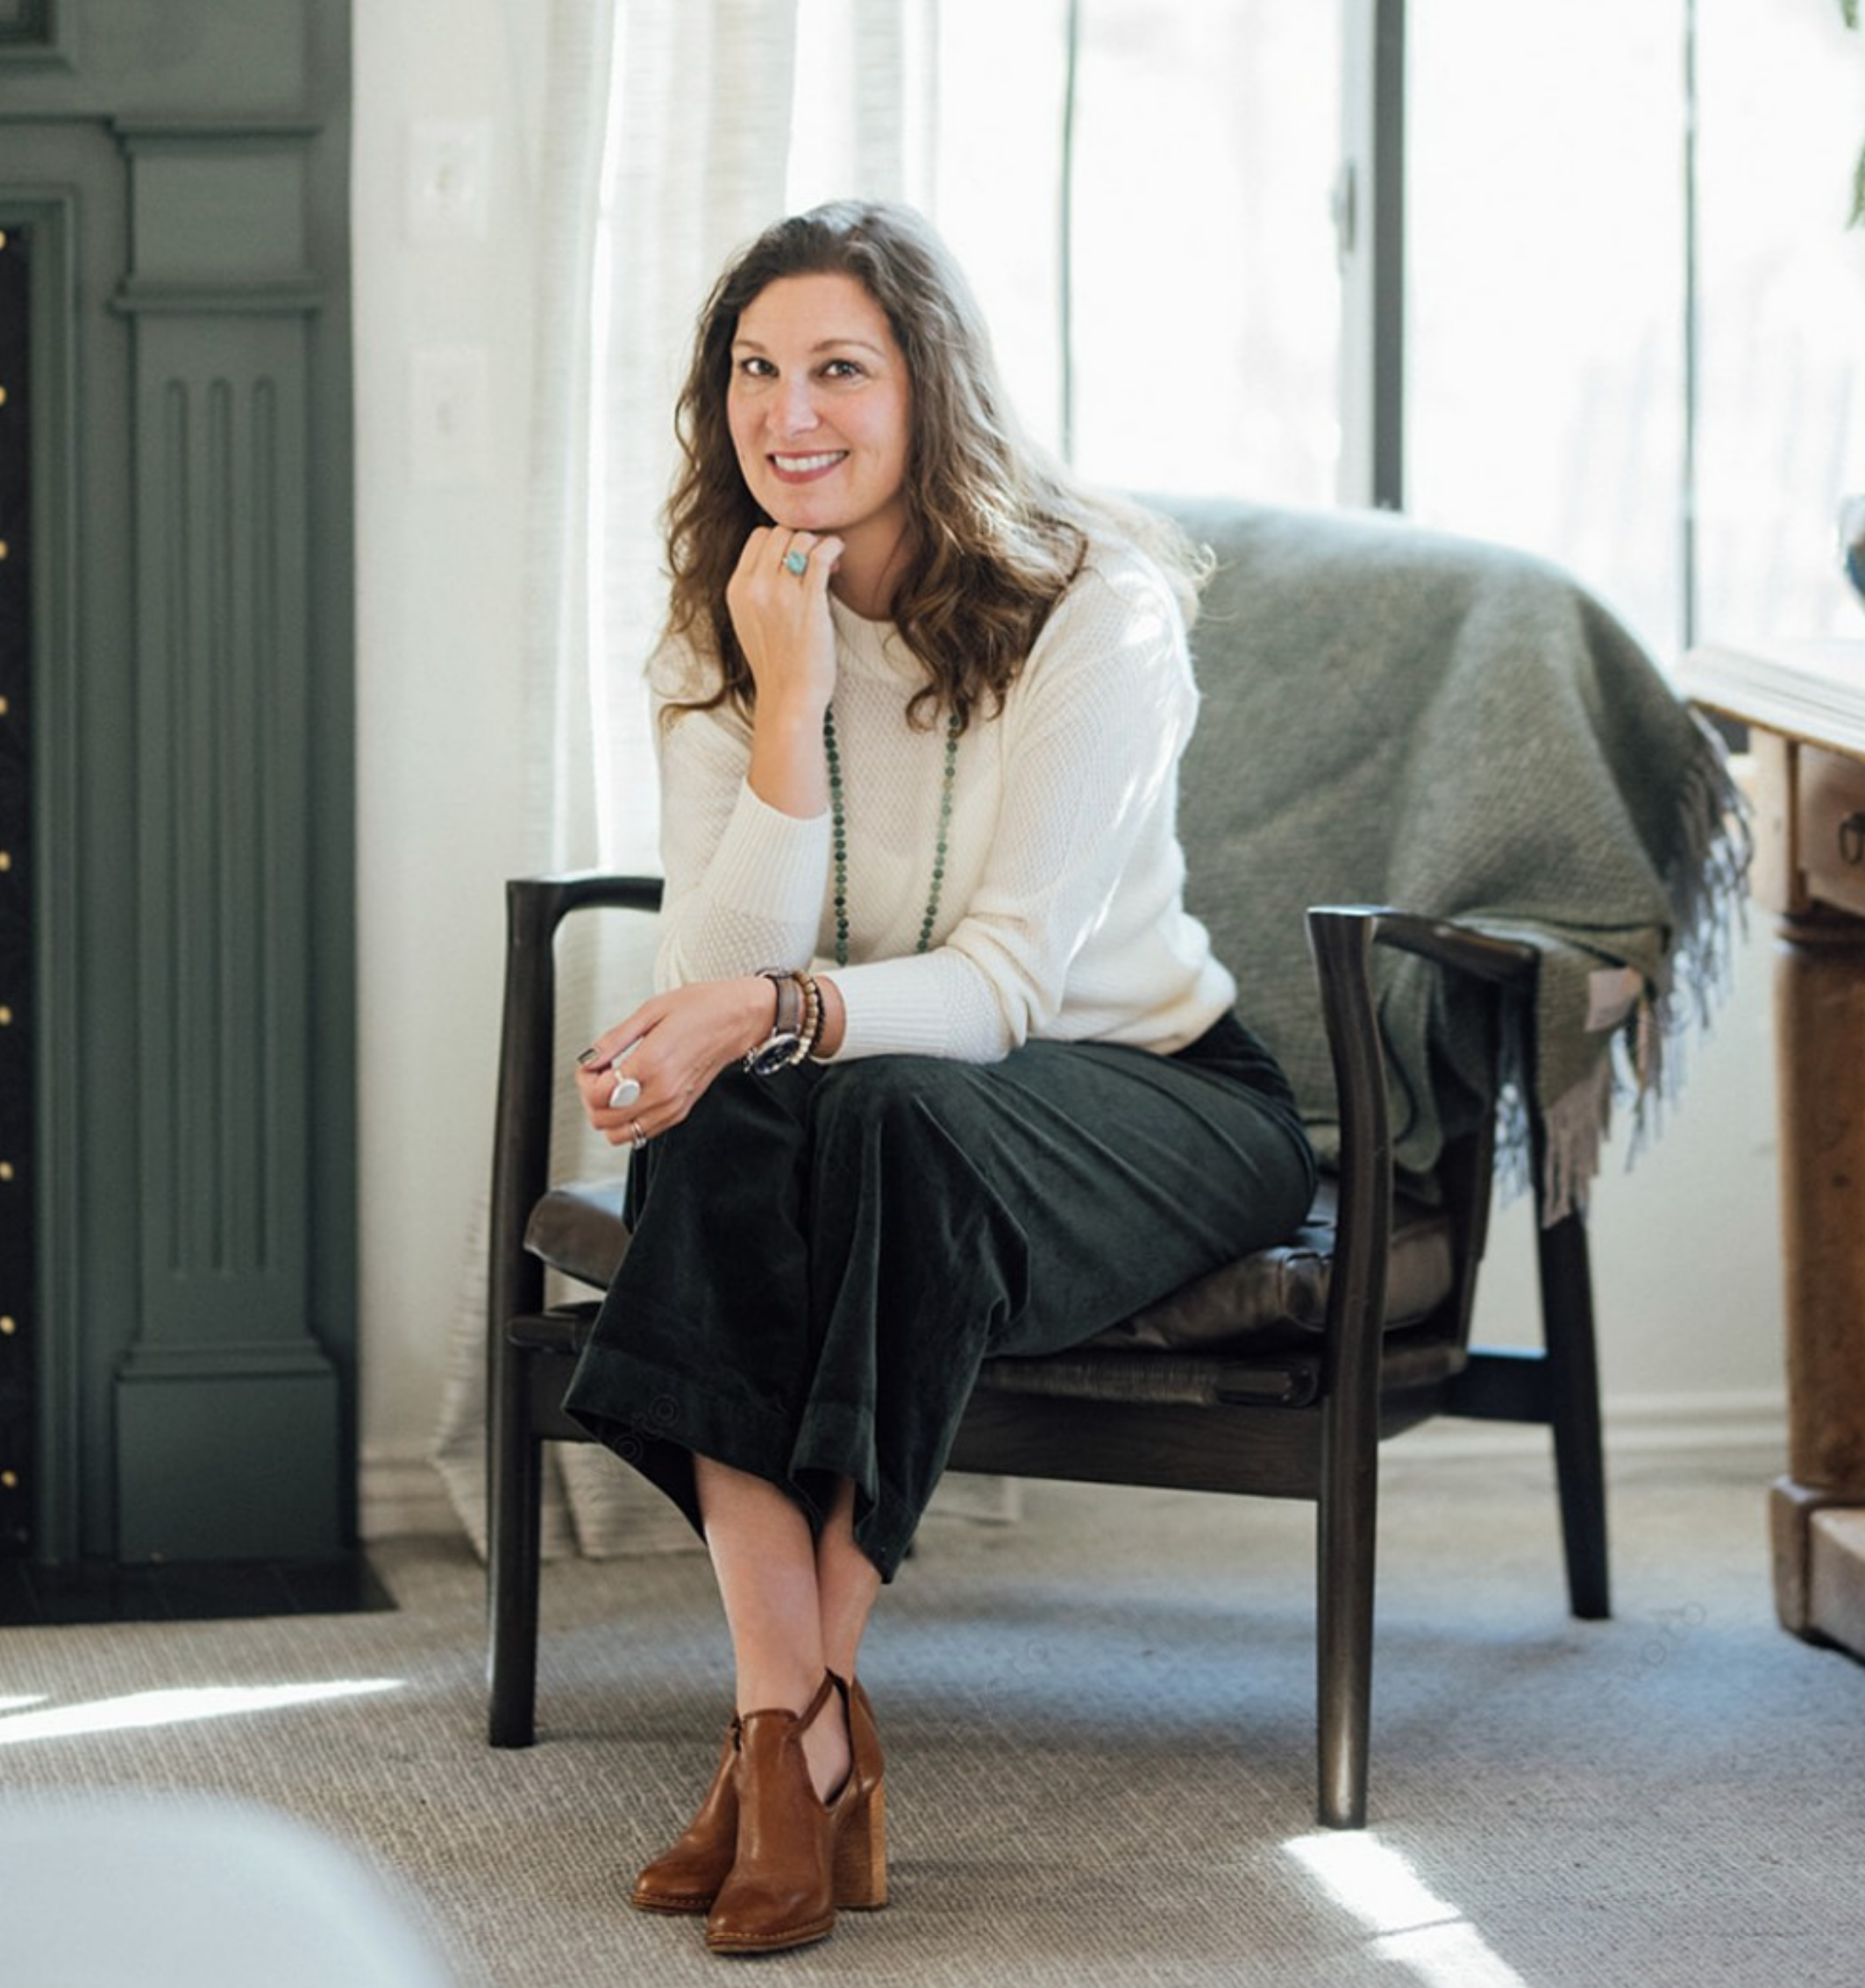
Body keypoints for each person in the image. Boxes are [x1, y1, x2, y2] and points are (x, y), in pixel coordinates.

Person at [560, 198, 1316, 1957]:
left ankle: (799, 1739)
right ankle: (789, 1728)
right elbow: (707, 988)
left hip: (1152, 1092)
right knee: (726, 1101)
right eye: (756, 370)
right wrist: (785, 702)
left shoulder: (1094, 605)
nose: (789, 413)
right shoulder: (727, 616)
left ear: (931, 393)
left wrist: (759, 1009)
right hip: (885, 1100)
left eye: (839, 367)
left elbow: (1004, 984)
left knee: (871, 1102)